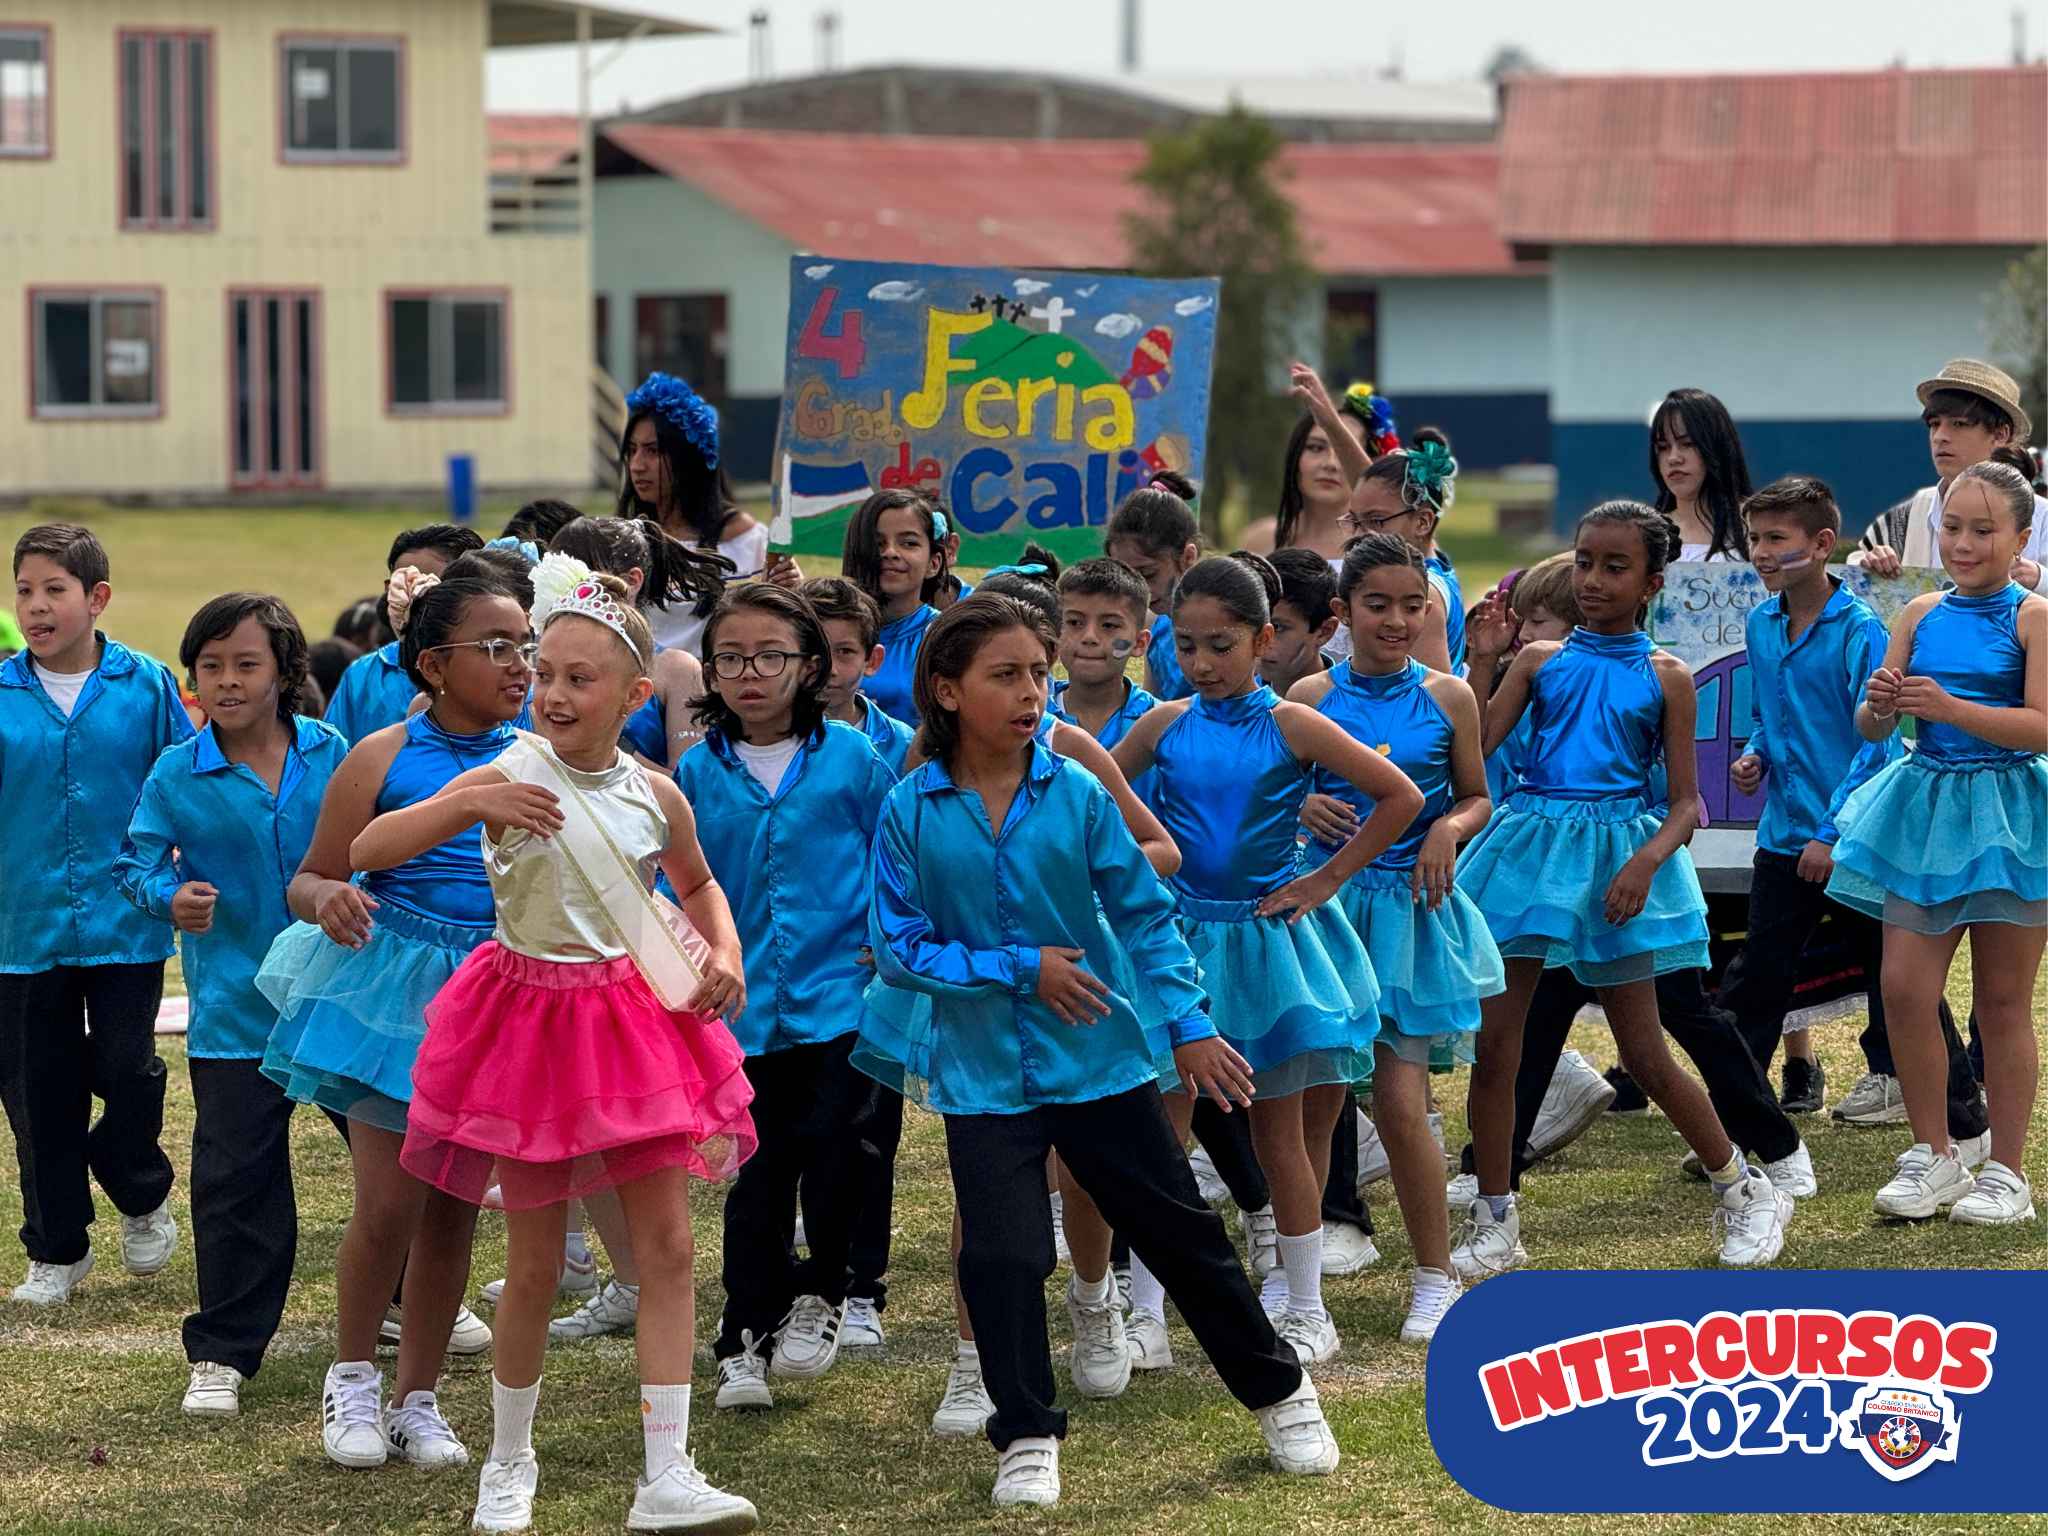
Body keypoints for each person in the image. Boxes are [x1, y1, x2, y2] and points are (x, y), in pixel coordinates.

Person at [863, 593, 1342, 1507]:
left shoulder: (1078, 792)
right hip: (983, 1078)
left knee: (1183, 1237)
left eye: (1035, 675)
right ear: (947, 691)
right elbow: (899, 947)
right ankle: (1025, 1434)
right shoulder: (907, 809)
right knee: (1003, 1257)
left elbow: (1146, 915)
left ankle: (1282, 1394)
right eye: (1005, 676)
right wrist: (1022, 968)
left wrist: (1190, 1026)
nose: (1030, 693)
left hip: (1100, 1062)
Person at [352, 558, 757, 1533]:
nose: (555, 693)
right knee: (533, 1262)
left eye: (582, 678)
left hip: (632, 1030)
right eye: (546, 674)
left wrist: (725, 951)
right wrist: (466, 805)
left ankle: (666, 1473)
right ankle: (508, 1463)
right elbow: (367, 851)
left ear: (635, 696)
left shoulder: (656, 793)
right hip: (530, 1030)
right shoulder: (508, 770)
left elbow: (697, 884)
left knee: (666, 1248)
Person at [1454, 501, 1795, 1275]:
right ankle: (1495, 1215)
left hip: (1616, 859)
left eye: (1615, 567)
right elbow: (1473, 752)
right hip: (1530, 858)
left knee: (1644, 1050)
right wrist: (1483, 662)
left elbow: (1686, 804)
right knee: (1495, 1047)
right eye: (1584, 562)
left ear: (1652, 583)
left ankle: (1744, 1189)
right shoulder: (1538, 661)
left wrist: (1642, 866)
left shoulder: (1667, 676)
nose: (1594, 580)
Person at [1112, 554, 1424, 1367]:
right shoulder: (1163, 723)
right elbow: (1095, 796)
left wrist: (1326, 878)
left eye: (1221, 646)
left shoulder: (1292, 723)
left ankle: (1307, 1307)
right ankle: (1146, 1314)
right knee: (1164, 1135)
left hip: (1269, 947)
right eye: (1185, 646)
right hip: (1180, 949)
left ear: (1262, 641)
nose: (1202, 664)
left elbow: (1402, 796)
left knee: (1278, 1133)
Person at [257, 570, 532, 1469]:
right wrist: (328, 897)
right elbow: (310, 876)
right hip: (390, 995)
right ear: (434, 665)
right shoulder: (381, 754)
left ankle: (419, 1398)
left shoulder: (541, 754)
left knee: (454, 1210)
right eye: (495, 647)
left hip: (494, 994)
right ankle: (352, 1380)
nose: (519, 665)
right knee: (388, 1203)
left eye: (526, 646)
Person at [114, 594, 347, 1413]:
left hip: (340, 1003)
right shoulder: (177, 771)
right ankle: (221, 1351)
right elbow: (135, 866)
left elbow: (375, 845)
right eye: (209, 667)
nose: (226, 681)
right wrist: (168, 898)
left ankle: (402, 1301)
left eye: (246, 664)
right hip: (235, 1012)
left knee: (393, 1163)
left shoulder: (332, 753)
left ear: (284, 672)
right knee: (235, 1182)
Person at [670, 585, 898, 1413]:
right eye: (731, 659)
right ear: (710, 673)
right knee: (757, 1178)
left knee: (841, 1154)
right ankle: (742, 1339)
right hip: (742, 1011)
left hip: (845, 1000)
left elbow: (896, 852)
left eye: (771, 657)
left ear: (809, 665)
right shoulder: (696, 772)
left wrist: (888, 935)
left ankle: (826, 1291)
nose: (750, 674)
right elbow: (677, 882)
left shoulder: (854, 759)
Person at [1719, 476, 1987, 1163]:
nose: (1762, 551)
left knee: (1901, 985)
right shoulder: (1761, 623)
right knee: (1755, 984)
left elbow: (1877, 743)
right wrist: (1754, 757)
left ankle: (1965, 1123)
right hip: (1782, 837)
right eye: (1755, 538)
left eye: (1776, 538)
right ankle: (1739, 1130)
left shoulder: (1861, 629)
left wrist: (1831, 834)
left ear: (1822, 544)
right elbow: (1768, 716)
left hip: (1856, 841)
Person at [1290, 534, 1503, 1341]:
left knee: (1401, 1101)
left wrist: (1449, 826)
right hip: (1327, 907)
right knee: (1314, 1104)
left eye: (1413, 606)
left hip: (1409, 915)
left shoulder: (1450, 697)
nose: (1396, 620)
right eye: (1377, 604)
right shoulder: (1307, 695)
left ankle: (1434, 1275)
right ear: (1343, 612)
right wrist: (1299, 805)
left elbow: (1478, 795)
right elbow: (1275, 789)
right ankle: (1297, 1280)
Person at [1828, 459, 2046, 1225]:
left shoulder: (2034, 616)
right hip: (1923, 811)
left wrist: (1951, 708)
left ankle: (2008, 1174)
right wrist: (1881, 704)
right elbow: (1872, 726)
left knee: (2001, 1002)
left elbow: (2042, 726)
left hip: (2012, 817)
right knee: (1903, 990)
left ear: (2020, 537)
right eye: (1952, 527)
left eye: (1983, 530)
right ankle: (1936, 1155)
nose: (1963, 544)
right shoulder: (1917, 612)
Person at [1, 524, 187, 1306]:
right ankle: (57, 1249)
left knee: (126, 1069)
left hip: (127, 921)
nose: (36, 607)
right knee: (36, 1092)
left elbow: (187, 784)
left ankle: (139, 1188)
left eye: (55, 590)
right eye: (24, 591)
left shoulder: (146, 686)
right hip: (22, 929)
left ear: (97, 597)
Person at [1853, 360, 2048, 596]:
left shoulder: (2042, 517)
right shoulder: (1907, 516)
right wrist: (1869, 564)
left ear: (2000, 434)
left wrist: (2040, 579)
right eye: (1934, 424)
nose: (1940, 436)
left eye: (1959, 424)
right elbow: (1853, 581)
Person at [548, 516, 725, 771]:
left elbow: (688, 783)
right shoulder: (542, 663)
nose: (574, 597)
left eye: (582, 583)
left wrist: (607, 745)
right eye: (559, 584)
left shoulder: (676, 669)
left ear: (632, 581)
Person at [616, 372, 768, 655]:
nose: (637, 465)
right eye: (632, 450)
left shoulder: (745, 540)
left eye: (653, 451)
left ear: (689, 457)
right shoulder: (624, 539)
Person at [325, 525, 486, 746]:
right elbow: (334, 757)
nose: (413, 597)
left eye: (427, 586)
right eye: (401, 584)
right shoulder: (363, 675)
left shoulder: (493, 669)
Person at [839, 489, 952, 725]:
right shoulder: (821, 629)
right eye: (878, 543)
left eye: (909, 543)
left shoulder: (945, 638)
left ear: (934, 563)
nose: (890, 552)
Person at [801, 577, 916, 777]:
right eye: (814, 651)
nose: (829, 669)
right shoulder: (763, 739)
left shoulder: (901, 746)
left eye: (844, 651)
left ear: (872, 661)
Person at [1104, 474, 1202, 702]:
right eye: (1127, 576)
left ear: (1188, 557)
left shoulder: (1225, 626)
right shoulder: (1158, 628)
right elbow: (1154, 703)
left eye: (1148, 574)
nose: (1139, 590)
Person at [1649, 388, 1754, 562]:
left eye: (1687, 444)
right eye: (1663, 447)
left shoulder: (1759, 527)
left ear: (1718, 448)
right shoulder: (1648, 534)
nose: (1673, 458)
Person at [1259, 550, 1340, 699]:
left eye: (1277, 627)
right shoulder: (1231, 697)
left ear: (1325, 631)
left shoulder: (1353, 705)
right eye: (1254, 623)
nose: (1261, 641)